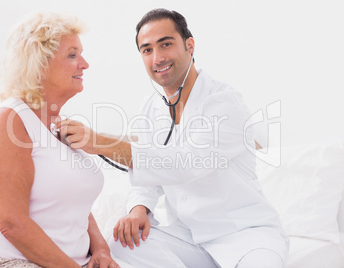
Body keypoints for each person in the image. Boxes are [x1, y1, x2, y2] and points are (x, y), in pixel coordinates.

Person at [58, 8, 289, 268]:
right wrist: (139, 209)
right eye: (147, 50)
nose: (157, 58)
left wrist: (98, 142)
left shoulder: (224, 102)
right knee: (122, 244)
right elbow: (147, 178)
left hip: (246, 237)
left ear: (189, 46)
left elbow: (186, 163)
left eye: (165, 44)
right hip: (191, 238)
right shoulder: (150, 108)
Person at [0, 12, 119, 268]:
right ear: (39, 64)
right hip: (5, 259)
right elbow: (12, 224)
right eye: (72, 54)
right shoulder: (8, 122)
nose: (85, 63)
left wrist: (101, 250)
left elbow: (72, 202)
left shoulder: (58, 123)